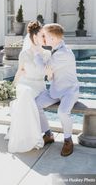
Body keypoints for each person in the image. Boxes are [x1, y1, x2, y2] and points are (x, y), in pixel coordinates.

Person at [6, 21, 53, 153]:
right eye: (41, 35)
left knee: (27, 96)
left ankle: (30, 134)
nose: (44, 38)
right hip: (25, 84)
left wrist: (50, 75)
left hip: (39, 86)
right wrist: (12, 86)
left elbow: (49, 76)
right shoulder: (24, 54)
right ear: (33, 36)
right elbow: (20, 72)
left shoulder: (46, 54)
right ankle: (24, 134)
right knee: (25, 93)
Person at [34, 23, 79, 157]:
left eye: (45, 36)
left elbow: (44, 69)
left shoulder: (64, 53)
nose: (43, 39)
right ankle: (48, 134)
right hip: (54, 90)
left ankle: (68, 140)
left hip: (69, 91)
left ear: (53, 38)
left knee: (63, 112)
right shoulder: (52, 48)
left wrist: (36, 52)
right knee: (35, 105)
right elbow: (48, 72)